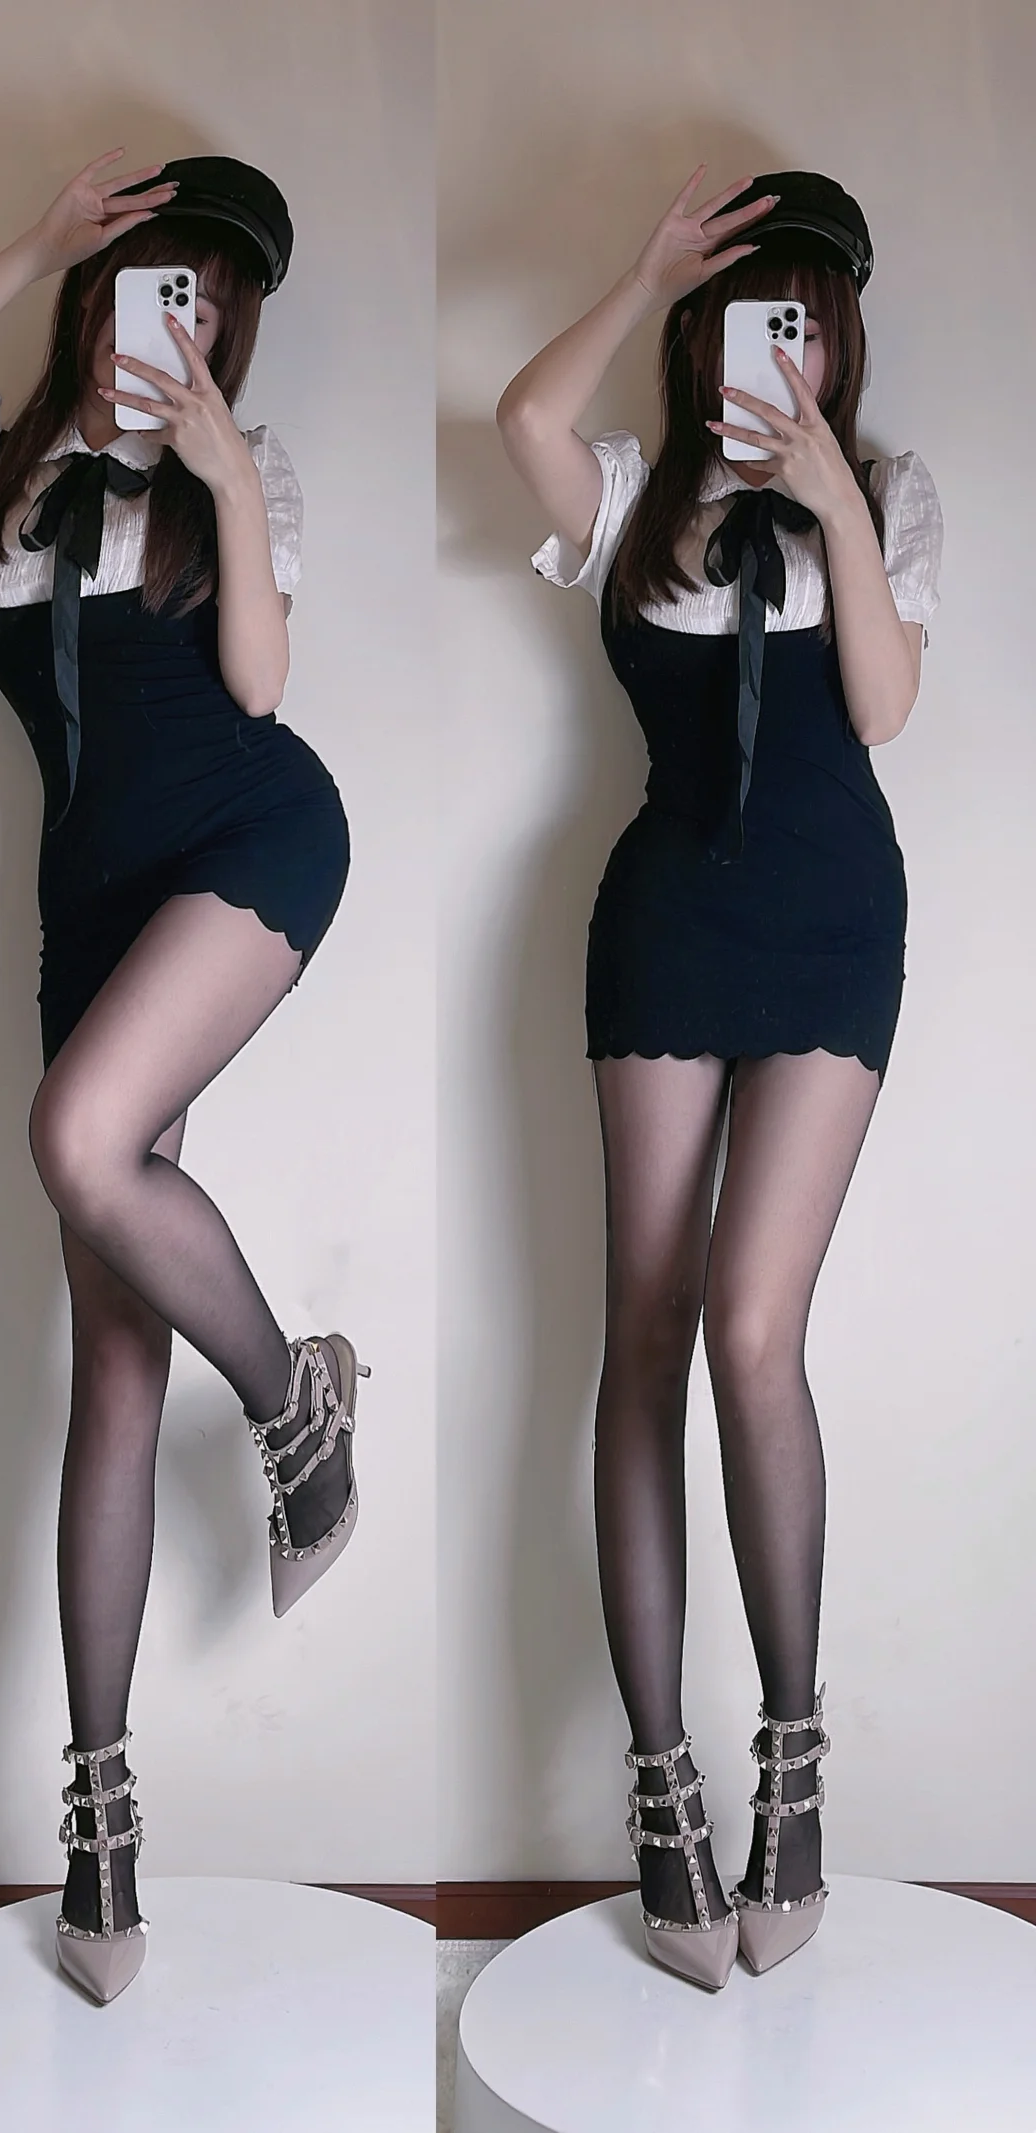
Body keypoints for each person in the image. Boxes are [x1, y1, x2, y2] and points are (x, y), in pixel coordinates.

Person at [0, 149, 370, 2005]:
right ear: (105, 290)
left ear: (230, 338)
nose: (181, 319)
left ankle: (296, 1407)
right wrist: (40, 237)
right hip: (87, 910)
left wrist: (220, 467)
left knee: (77, 1139)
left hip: (246, 841)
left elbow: (259, 684)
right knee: (109, 1369)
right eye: (160, 282)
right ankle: (100, 1831)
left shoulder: (243, 473)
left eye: (211, 304)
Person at [497, 166, 942, 1987]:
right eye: (759, 314)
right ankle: (660, 1784)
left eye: (811, 320)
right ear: (708, 332)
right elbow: (525, 420)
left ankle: (793, 1764)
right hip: (666, 919)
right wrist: (644, 265)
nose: (790, 346)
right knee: (644, 1332)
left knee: (757, 1331)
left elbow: (887, 708)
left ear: (842, 338)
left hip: (830, 920)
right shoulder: (635, 494)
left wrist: (829, 497)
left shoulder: (889, 491)